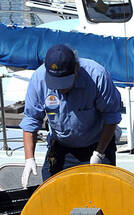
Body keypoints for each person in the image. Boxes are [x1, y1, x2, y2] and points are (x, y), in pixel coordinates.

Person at [20, 44, 123, 185]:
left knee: (101, 196)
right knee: (52, 194)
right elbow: (31, 119)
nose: (61, 88)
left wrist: (99, 153)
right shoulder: (38, 79)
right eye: (56, 84)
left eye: (64, 83)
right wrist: (29, 159)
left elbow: (111, 116)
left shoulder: (97, 76)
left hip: (97, 144)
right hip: (61, 145)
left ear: (76, 69)